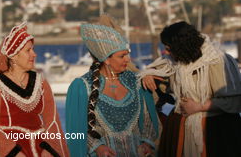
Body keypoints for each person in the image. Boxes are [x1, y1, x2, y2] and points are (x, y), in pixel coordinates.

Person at [140, 21, 241, 157]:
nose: (166, 52)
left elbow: (234, 101)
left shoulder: (217, 61)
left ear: (180, 46)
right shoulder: (176, 60)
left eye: (169, 48)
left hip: (215, 131)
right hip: (183, 130)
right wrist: (148, 75)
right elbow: (160, 68)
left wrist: (199, 107)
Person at [65, 15, 160, 157]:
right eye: (122, 56)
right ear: (107, 60)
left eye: (127, 54)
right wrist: (97, 147)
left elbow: (148, 119)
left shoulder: (136, 82)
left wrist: (147, 142)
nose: (128, 60)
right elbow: (75, 131)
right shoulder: (82, 86)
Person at [0, 22, 69, 157]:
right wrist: (13, 152)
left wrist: (49, 150)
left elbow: (52, 121)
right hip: (11, 150)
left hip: (41, 148)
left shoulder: (41, 82)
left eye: (33, 49)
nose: (34, 54)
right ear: (13, 56)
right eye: (28, 50)